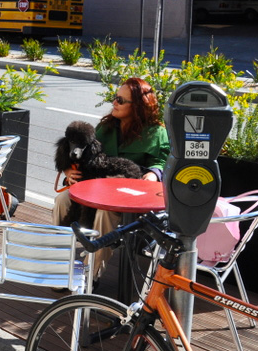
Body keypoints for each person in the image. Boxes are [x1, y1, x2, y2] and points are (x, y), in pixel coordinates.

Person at [51, 77, 170, 273]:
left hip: (130, 196)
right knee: (63, 199)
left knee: (105, 212)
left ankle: (92, 274)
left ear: (139, 106)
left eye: (121, 101)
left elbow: (162, 161)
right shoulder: (105, 127)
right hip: (97, 187)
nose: (114, 103)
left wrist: (153, 174)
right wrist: (68, 170)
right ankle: (59, 263)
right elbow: (81, 151)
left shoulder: (156, 132)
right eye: (115, 98)